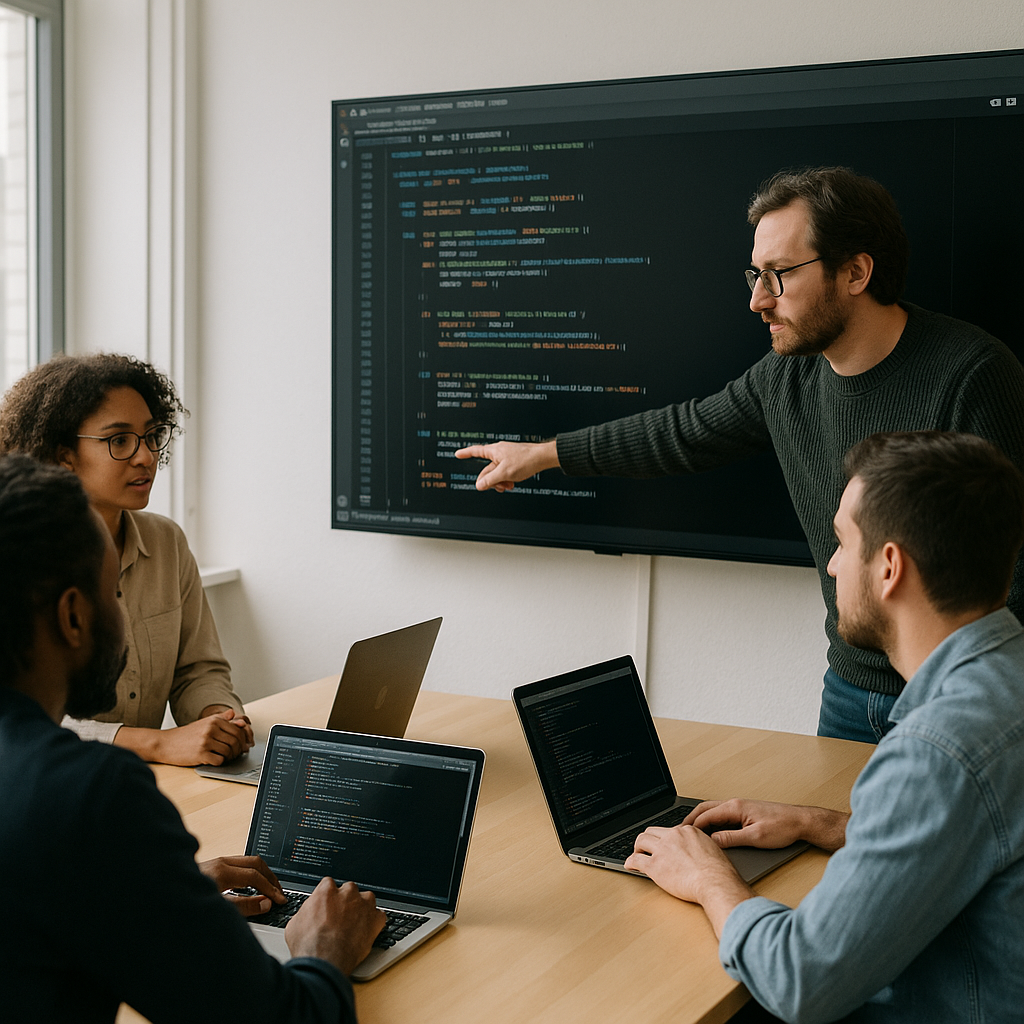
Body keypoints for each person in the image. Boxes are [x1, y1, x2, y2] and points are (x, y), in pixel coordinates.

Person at [454, 166, 1024, 744]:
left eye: (778, 275)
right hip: (849, 691)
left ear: (855, 271)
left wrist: (975, 703)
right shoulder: (785, 378)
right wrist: (543, 455)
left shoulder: (971, 374)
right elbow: (684, 432)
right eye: (756, 274)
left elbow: (1015, 571)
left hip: (954, 696)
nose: (757, 300)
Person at [623, 431, 1024, 1023]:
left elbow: (802, 980)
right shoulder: (1004, 683)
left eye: (840, 542)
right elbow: (979, 830)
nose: (831, 564)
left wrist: (708, 877)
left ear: (890, 567)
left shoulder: (936, 750)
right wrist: (825, 824)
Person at [0, 452, 386, 1023]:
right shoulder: (88, 796)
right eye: (113, 597)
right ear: (74, 616)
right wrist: (328, 947)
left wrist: (156, 896)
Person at [0, 352, 251, 765]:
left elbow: (199, 669)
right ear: (64, 455)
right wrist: (157, 743)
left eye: (152, 436)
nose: (146, 456)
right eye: (119, 440)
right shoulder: (24, 556)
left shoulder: (167, 541)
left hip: (152, 781)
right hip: (52, 786)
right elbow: (19, 711)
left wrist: (219, 719)